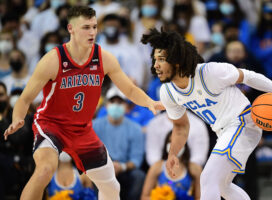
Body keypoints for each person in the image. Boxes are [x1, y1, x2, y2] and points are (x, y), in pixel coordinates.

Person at [3, 6, 162, 200]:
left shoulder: (103, 57)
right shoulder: (53, 59)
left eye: (94, 26)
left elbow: (129, 89)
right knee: (45, 170)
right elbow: (25, 98)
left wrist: (150, 102)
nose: (92, 32)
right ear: (71, 29)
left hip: (83, 130)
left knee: (111, 186)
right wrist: (17, 118)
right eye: (86, 27)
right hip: (51, 126)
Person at [141, 28, 272, 200]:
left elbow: (248, 76)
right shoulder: (167, 92)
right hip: (223, 132)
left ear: (176, 60)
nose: (155, 65)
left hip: (242, 122)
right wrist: (173, 154)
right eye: (155, 60)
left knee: (207, 179)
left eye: (161, 59)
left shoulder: (209, 73)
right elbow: (181, 127)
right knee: (222, 186)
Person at [93, 86, 145, 200]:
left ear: (126, 107)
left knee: (139, 176)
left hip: (125, 169)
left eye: (120, 102)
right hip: (101, 168)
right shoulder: (94, 126)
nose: (116, 105)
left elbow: (136, 159)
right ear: (106, 105)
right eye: (112, 102)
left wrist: (121, 167)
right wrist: (106, 167)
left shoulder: (135, 129)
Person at [141, 130, 201, 200]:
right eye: (170, 142)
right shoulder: (156, 167)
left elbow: (200, 197)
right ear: (166, 145)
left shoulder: (194, 169)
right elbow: (144, 197)